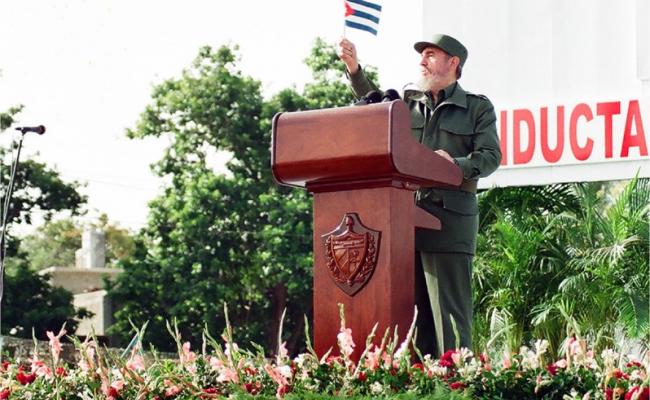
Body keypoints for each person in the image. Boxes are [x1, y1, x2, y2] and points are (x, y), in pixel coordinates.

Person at [338, 34, 501, 357]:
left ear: (453, 63)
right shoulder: (406, 104)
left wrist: (454, 164)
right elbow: (374, 106)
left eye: (430, 54)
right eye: (422, 55)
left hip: (449, 222)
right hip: (403, 222)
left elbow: (490, 156)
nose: (422, 61)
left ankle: (456, 384)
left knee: (449, 320)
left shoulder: (476, 108)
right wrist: (354, 69)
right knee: (409, 321)